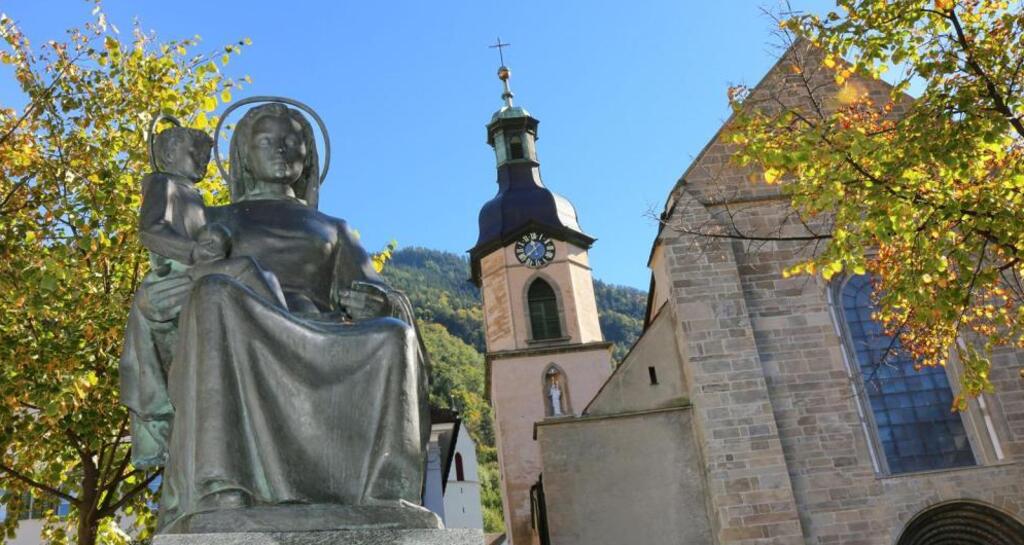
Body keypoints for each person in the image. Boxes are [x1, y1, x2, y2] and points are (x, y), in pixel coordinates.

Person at [120, 103, 432, 533]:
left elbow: (380, 292)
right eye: (266, 141)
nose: (282, 149)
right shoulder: (213, 218)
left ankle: (385, 487)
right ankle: (222, 483)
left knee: (394, 334)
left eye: (292, 141)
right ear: (244, 155)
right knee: (214, 292)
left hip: (325, 334)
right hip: (246, 329)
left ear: (308, 155)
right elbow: (173, 276)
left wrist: (379, 305)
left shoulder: (333, 228)